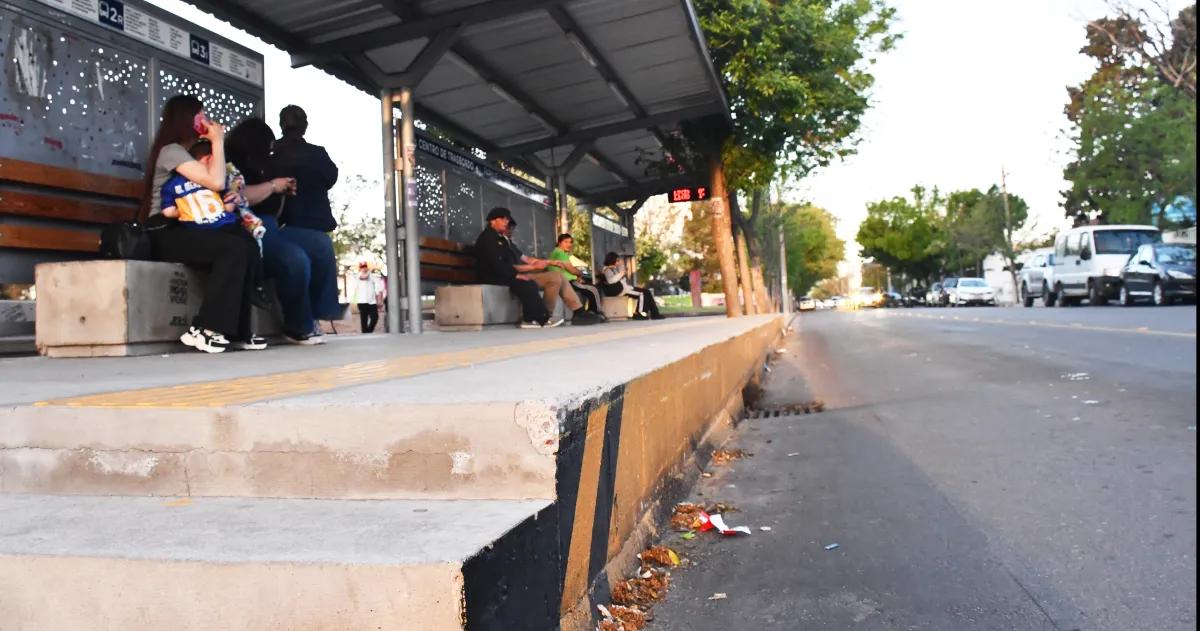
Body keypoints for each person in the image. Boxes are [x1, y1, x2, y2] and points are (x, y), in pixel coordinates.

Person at [139, 94, 264, 354]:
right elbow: (215, 181)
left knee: (246, 243)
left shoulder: (189, 153)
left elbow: (214, 189)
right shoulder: (171, 151)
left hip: (192, 225)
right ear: (186, 119)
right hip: (165, 230)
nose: (206, 121)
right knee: (231, 248)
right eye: (201, 116)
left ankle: (237, 330)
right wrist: (217, 141)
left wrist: (227, 198)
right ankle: (204, 328)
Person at [226, 114, 336, 345]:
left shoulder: (267, 165)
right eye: (266, 146)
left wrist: (282, 191)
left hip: (274, 226)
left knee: (320, 244)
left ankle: (316, 314)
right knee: (295, 259)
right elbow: (238, 197)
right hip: (247, 227)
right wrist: (273, 186)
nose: (270, 150)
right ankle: (298, 324)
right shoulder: (230, 164)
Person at [474, 207, 561, 328]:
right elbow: (496, 263)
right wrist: (515, 275)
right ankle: (531, 320)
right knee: (526, 283)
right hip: (491, 276)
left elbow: (507, 263)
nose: (506, 222)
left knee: (529, 283)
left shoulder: (499, 239)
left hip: (501, 274)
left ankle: (542, 317)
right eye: (502, 219)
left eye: (507, 219)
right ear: (492, 221)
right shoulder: (487, 238)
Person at [503, 218, 599, 326]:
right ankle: (546, 315)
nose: (511, 231)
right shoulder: (559, 252)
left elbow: (527, 259)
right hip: (514, 276)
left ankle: (578, 311)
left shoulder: (510, 244)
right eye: (508, 228)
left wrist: (549, 262)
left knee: (558, 276)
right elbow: (509, 267)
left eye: (512, 228)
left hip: (524, 273)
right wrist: (534, 267)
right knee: (557, 277)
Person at [547, 233, 605, 319]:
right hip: (566, 281)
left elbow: (567, 270)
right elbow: (571, 269)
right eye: (565, 242)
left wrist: (577, 277)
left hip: (564, 280)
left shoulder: (557, 252)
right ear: (559, 243)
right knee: (594, 289)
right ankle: (597, 313)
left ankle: (589, 312)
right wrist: (580, 274)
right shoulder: (560, 252)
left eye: (570, 242)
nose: (569, 244)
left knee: (588, 288)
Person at [600, 252, 664, 320]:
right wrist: (621, 273)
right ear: (612, 260)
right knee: (642, 294)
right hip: (619, 291)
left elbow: (620, 280)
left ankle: (655, 313)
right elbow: (611, 281)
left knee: (647, 292)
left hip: (624, 288)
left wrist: (621, 272)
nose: (618, 262)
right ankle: (639, 313)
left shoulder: (613, 269)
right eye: (617, 260)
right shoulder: (607, 270)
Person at [353, 262, 384, 334]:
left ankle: (369, 331)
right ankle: (365, 332)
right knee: (364, 319)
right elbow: (364, 277)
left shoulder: (372, 276)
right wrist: (371, 269)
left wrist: (379, 300)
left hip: (372, 301)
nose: (364, 268)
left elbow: (378, 289)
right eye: (362, 267)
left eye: (365, 267)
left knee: (375, 317)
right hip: (362, 301)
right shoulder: (358, 275)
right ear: (360, 268)